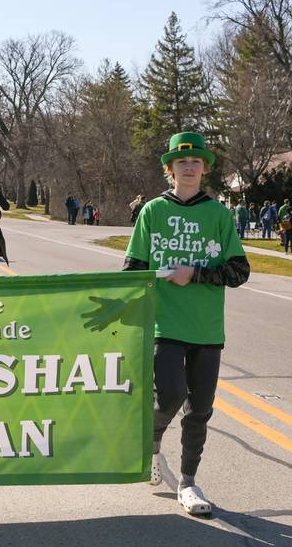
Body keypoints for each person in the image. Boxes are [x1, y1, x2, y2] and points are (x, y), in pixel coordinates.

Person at [123, 131, 249, 516]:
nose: (190, 167)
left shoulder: (217, 213)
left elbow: (238, 270)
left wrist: (192, 273)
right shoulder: (153, 212)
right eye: (182, 162)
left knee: (200, 410)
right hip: (164, 324)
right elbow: (132, 268)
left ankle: (189, 483)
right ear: (170, 169)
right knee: (172, 394)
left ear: (204, 169)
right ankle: (151, 444)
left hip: (207, 330)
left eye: (196, 162)